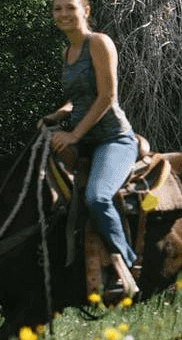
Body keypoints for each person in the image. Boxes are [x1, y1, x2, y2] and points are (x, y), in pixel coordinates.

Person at [38, 0, 138, 299]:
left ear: (86, 10)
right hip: (82, 141)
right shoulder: (68, 52)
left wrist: (73, 134)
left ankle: (129, 267)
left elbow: (107, 95)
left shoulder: (99, 42)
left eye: (70, 7)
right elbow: (77, 99)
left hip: (113, 139)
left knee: (97, 196)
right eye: (57, 9)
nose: (63, 14)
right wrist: (57, 116)